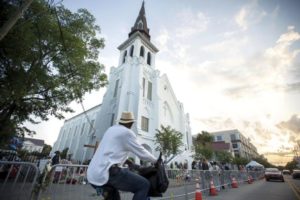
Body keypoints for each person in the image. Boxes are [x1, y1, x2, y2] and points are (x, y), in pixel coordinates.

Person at [87, 111, 157, 200]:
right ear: (131, 123)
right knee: (144, 185)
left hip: (93, 174)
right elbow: (142, 152)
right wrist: (157, 161)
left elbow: (113, 151)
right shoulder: (127, 132)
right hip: (108, 172)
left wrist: (128, 161)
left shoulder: (111, 129)